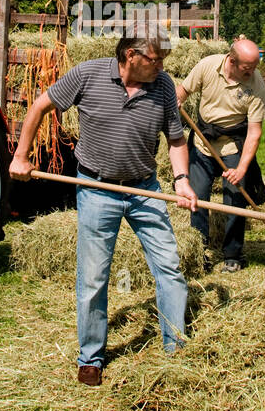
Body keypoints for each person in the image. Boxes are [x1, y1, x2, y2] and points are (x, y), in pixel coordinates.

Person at [10, 34, 199, 387]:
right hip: (98, 188)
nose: (162, 67)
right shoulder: (87, 75)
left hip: (145, 188)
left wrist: (182, 180)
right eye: (155, 60)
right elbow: (39, 106)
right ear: (131, 56)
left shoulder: (163, 86)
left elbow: (175, 140)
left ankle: (176, 350)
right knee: (94, 277)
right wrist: (21, 155)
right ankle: (91, 357)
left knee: (170, 268)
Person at [174, 38, 265, 272]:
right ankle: (200, 251)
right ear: (232, 61)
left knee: (236, 199)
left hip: (233, 145)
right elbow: (183, 90)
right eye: (248, 68)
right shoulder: (208, 66)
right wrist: (176, 100)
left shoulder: (256, 84)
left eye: (255, 66)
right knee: (197, 198)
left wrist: (242, 169)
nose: (252, 72)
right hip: (203, 143)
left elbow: (254, 133)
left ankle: (233, 255)